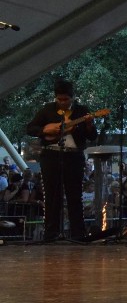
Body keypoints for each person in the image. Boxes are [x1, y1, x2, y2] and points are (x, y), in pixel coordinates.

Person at [26, 79, 98, 242]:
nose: (62, 102)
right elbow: (30, 128)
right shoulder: (47, 110)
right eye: (59, 99)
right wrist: (45, 130)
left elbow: (92, 136)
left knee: (74, 195)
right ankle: (51, 233)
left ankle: (78, 234)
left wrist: (88, 125)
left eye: (66, 99)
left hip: (74, 156)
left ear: (72, 98)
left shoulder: (81, 111)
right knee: (51, 195)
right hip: (51, 155)